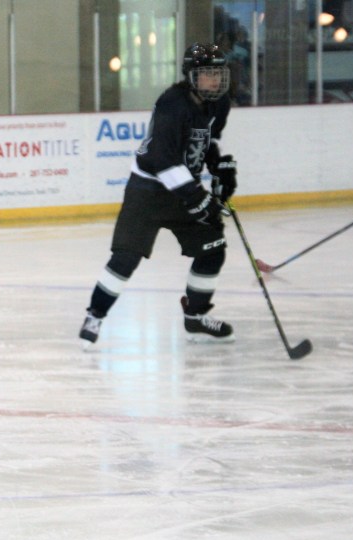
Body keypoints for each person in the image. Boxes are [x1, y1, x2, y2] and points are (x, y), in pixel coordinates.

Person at [80, 43, 237, 347]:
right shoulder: (172, 105)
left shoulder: (218, 104)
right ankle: (95, 315)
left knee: (213, 248)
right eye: (207, 74)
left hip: (182, 187)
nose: (215, 80)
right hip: (148, 191)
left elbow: (205, 143)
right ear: (191, 76)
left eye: (218, 74)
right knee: (126, 257)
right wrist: (198, 198)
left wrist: (220, 167)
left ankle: (196, 316)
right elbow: (163, 161)